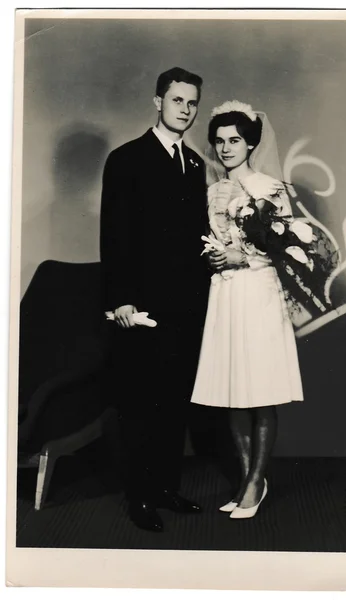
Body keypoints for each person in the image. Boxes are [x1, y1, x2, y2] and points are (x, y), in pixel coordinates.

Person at [99, 67, 210, 532]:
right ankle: (140, 497)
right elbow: (115, 234)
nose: (185, 109)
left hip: (188, 305)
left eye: (192, 103)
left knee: (174, 401)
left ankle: (165, 487)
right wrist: (121, 301)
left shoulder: (197, 163)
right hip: (142, 307)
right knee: (141, 402)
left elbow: (196, 235)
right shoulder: (127, 158)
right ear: (157, 102)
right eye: (177, 100)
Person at [191, 100, 304, 519]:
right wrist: (214, 257)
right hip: (225, 292)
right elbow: (208, 242)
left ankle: (257, 481)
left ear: (251, 143)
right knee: (233, 391)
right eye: (219, 141)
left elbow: (288, 250)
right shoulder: (211, 191)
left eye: (234, 140)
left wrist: (246, 258)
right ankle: (245, 479)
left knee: (259, 389)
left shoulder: (270, 187)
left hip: (258, 290)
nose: (225, 148)